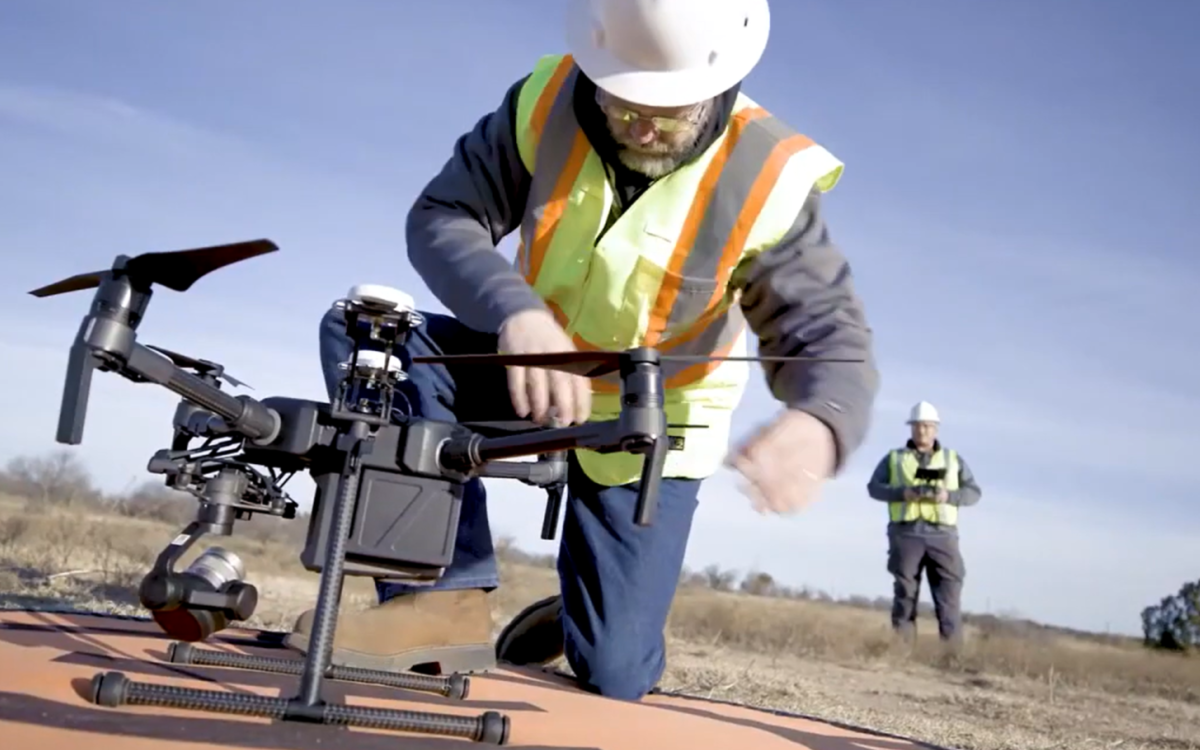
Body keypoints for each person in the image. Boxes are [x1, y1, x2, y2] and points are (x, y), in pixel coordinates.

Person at [286, 0, 879, 701]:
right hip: (530, 368)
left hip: (655, 416)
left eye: (667, 111)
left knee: (615, 672)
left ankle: (586, 620)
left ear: (718, 86)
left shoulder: (770, 175)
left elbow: (827, 330)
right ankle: (441, 601)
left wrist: (820, 418)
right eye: (623, 100)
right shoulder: (545, 100)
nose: (639, 126)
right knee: (368, 336)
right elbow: (444, 215)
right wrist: (515, 312)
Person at [866, 401, 982, 644]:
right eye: (918, 426)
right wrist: (902, 492)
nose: (923, 431)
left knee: (949, 595)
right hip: (906, 534)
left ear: (936, 429)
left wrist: (948, 496)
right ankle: (902, 652)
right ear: (911, 428)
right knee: (905, 594)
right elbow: (874, 488)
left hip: (943, 535)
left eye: (928, 426)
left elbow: (974, 493)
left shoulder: (952, 459)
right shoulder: (894, 458)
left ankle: (952, 656)